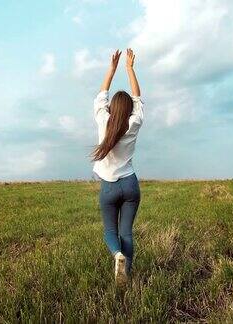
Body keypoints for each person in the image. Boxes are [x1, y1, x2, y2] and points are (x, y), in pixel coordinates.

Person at [90, 48, 143, 287]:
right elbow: (138, 99)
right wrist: (129, 68)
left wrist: (111, 69)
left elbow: (102, 94)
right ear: (129, 110)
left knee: (110, 232)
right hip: (130, 184)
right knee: (127, 233)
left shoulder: (103, 120)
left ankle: (117, 256)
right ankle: (127, 272)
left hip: (109, 187)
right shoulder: (134, 123)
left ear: (112, 108)